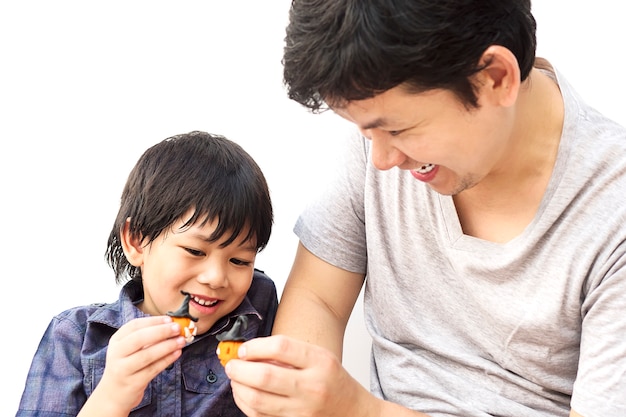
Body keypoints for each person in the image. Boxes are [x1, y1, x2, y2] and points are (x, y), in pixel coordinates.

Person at [223, 1, 626, 417]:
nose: (381, 159)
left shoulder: (613, 211)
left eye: (398, 130)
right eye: (365, 130)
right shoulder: (385, 128)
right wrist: (290, 393)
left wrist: (360, 412)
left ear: (495, 78)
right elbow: (318, 296)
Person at [16, 131, 277, 417]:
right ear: (136, 242)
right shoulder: (74, 337)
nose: (216, 277)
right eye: (195, 251)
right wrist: (113, 394)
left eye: (239, 260)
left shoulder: (257, 311)